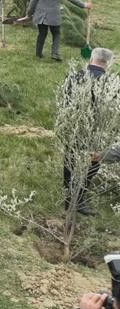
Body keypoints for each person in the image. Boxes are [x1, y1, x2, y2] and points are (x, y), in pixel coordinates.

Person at [59, 48, 116, 216]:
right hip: (97, 130)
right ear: (108, 63)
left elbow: (64, 100)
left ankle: (68, 197)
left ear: (91, 59)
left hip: (72, 127)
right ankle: (80, 198)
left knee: (70, 159)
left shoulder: (74, 76)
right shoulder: (109, 82)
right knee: (94, 161)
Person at [18, 0, 90, 61]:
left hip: (41, 15)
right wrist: (84, 5)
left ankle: (38, 53)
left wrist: (28, 14)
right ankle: (55, 54)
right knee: (56, 34)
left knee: (42, 34)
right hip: (54, 15)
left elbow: (33, 1)